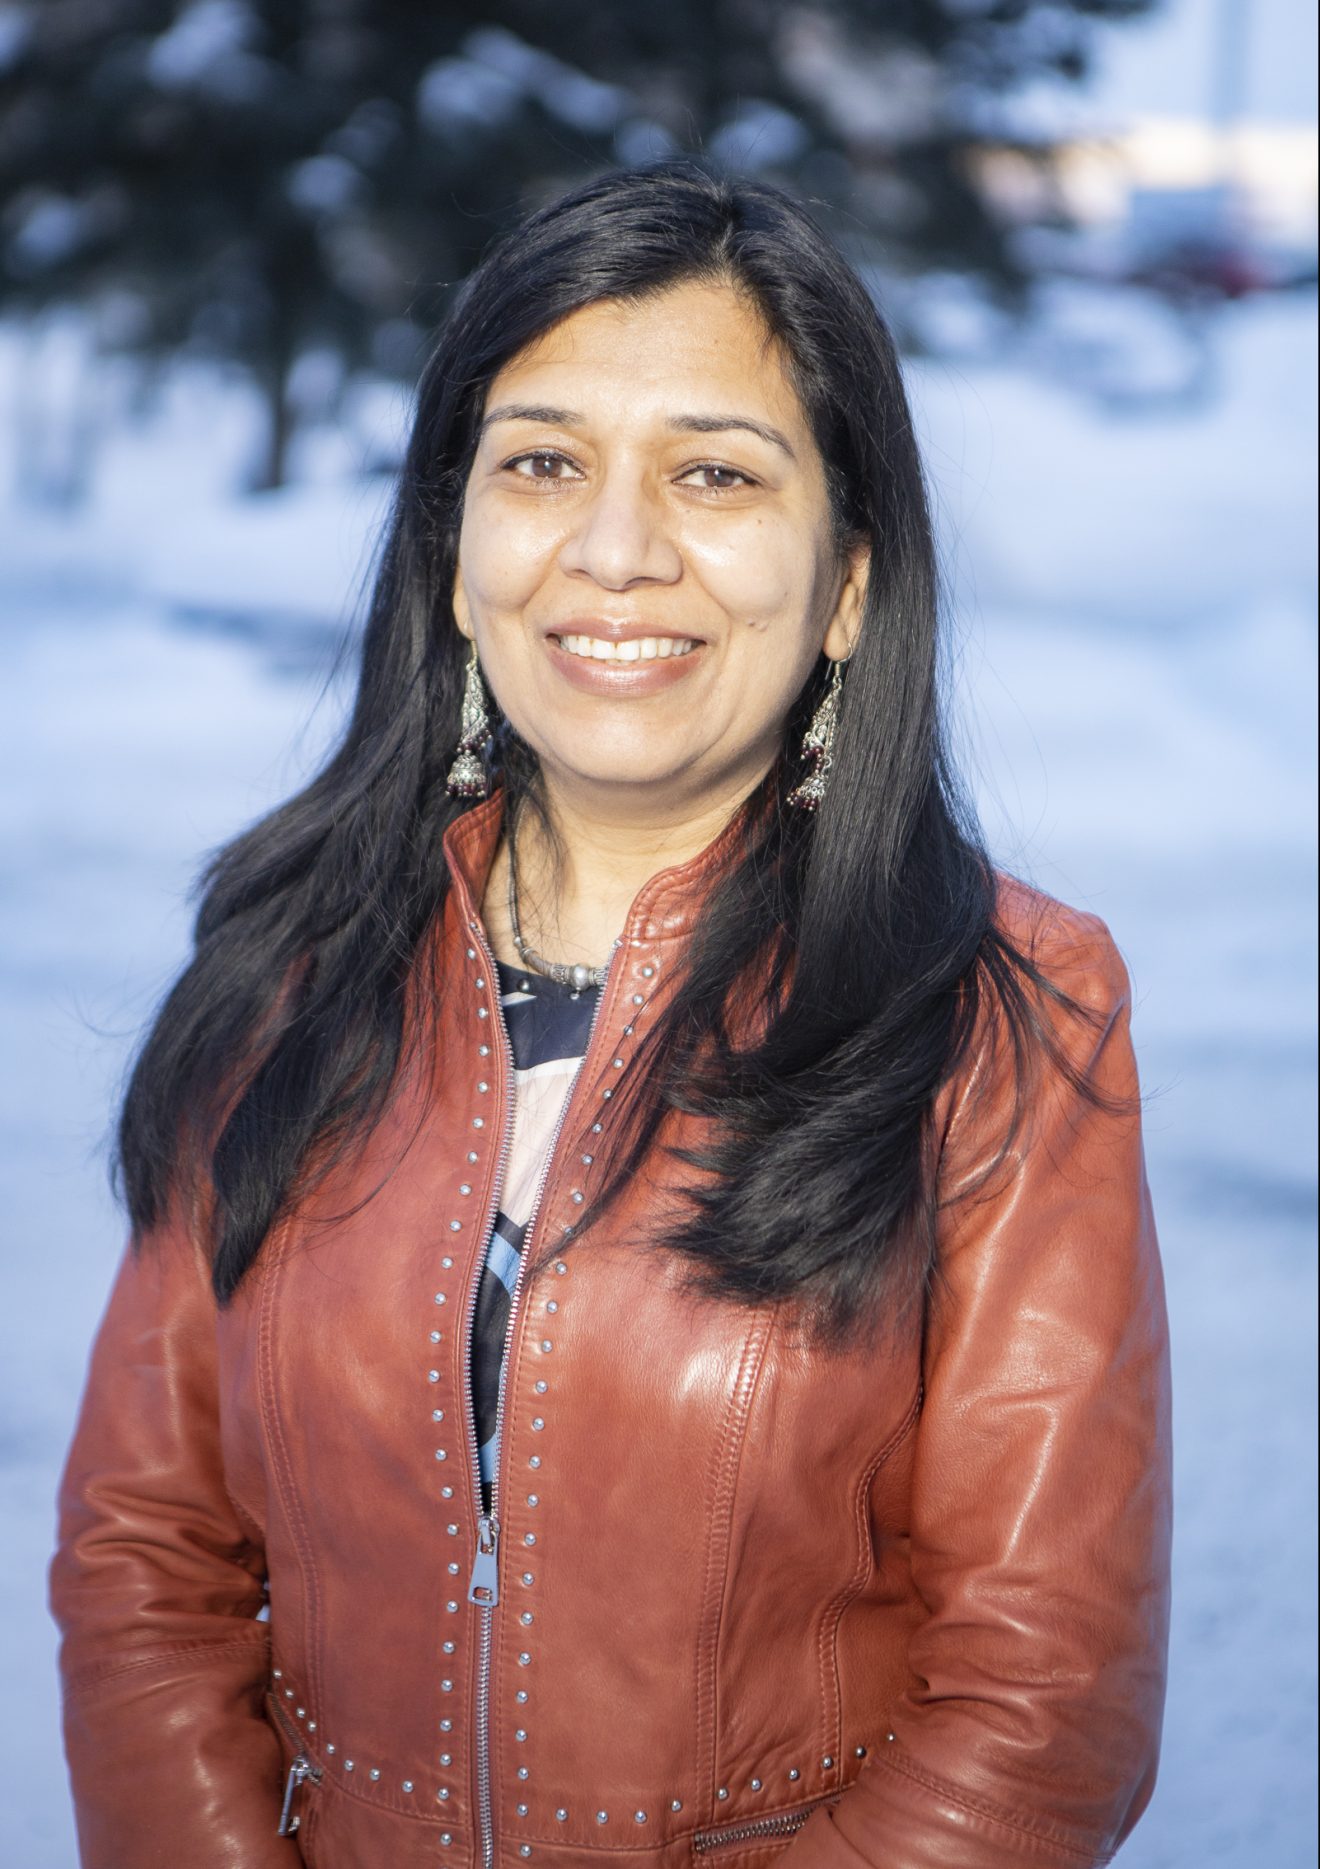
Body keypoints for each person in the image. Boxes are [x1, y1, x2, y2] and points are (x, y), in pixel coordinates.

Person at [49, 158, 1172, 1869]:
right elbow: (146, 1564)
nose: (618, 549)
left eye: (714, 472)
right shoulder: (290, 976)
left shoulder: (999, 1016)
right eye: (544, 463)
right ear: (455, 552)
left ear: (848, 578)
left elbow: (1045, 1697)